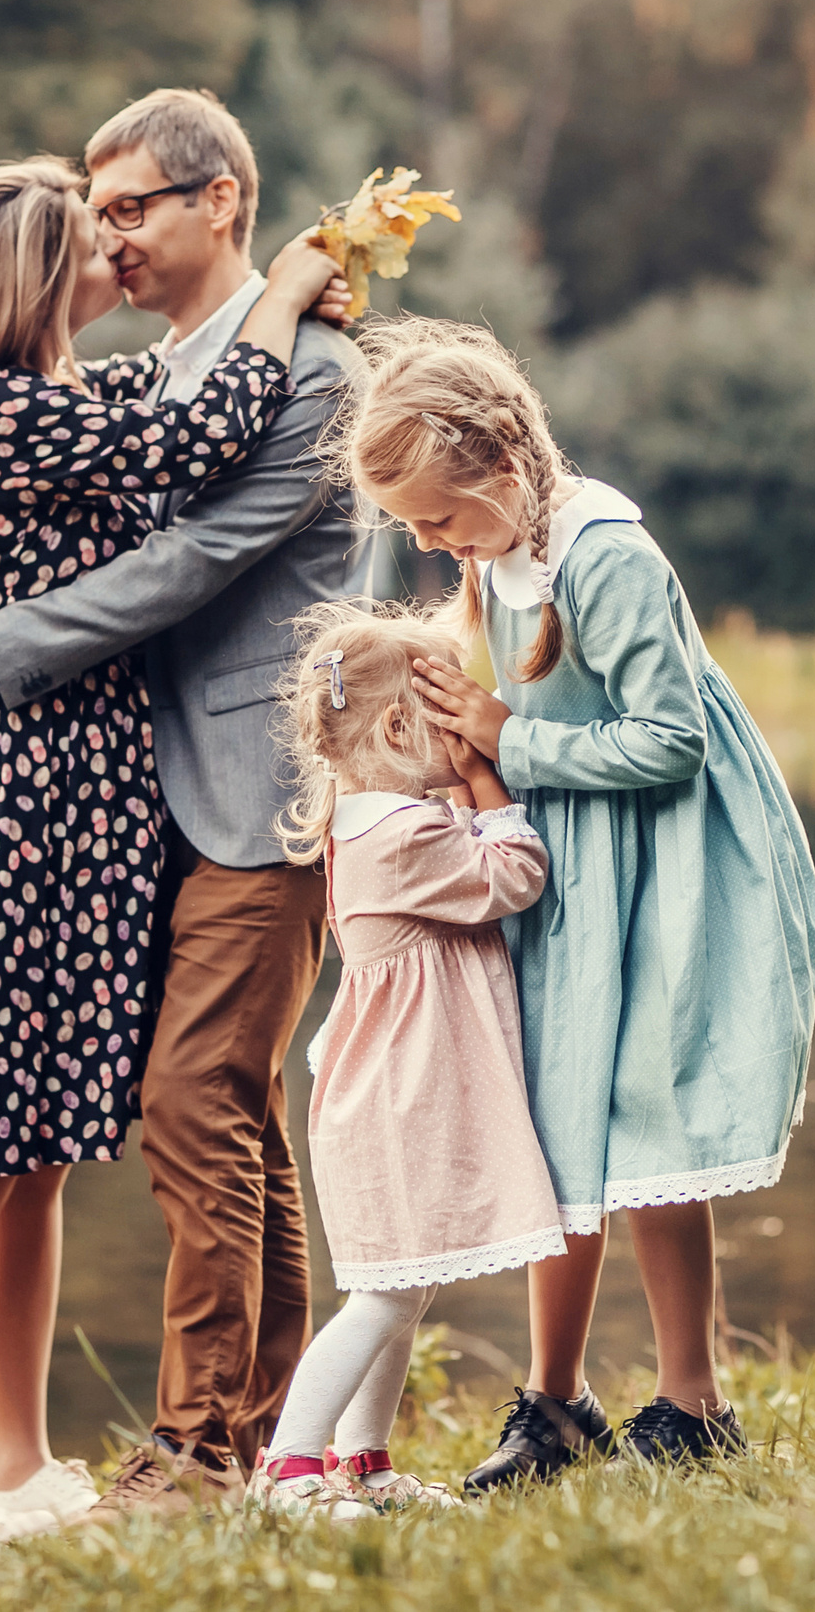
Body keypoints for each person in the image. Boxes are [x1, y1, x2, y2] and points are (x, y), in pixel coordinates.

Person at [0, 153, 342, 1557]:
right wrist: (285, 286)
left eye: (126, 218)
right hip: (14, 813)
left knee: (31, 1152)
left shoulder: (60, 402)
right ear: (29, 279)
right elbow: (197, 436)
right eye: (84, 234)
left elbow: (166, 407)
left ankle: (22, 1457)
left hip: (70, 812)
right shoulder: (10, 414)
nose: (112, 249)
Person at [330, 317, 815, 1488]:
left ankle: (691, 1401)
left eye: (437, 519)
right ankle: (555, 1404)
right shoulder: (502, 554)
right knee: (558, 1118)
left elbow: (670, 741)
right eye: (408, 523)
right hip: (576, 864)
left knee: (648, 1122)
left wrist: (509, 736)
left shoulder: (606, 557)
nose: (427, 540)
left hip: (671, 862)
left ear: (504, 460)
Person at [249, 605, 564, 1519]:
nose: (466, 725)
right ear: (399, 728)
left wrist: (458, 786)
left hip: (388, 1089)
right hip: (399, 1098)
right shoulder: (405, 835)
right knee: (385, 1293)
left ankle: (363, 1463)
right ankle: (289, 1471)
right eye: (448, 713)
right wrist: (488, 780)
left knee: (401, 1281)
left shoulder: (371, 822)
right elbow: (514, 874)